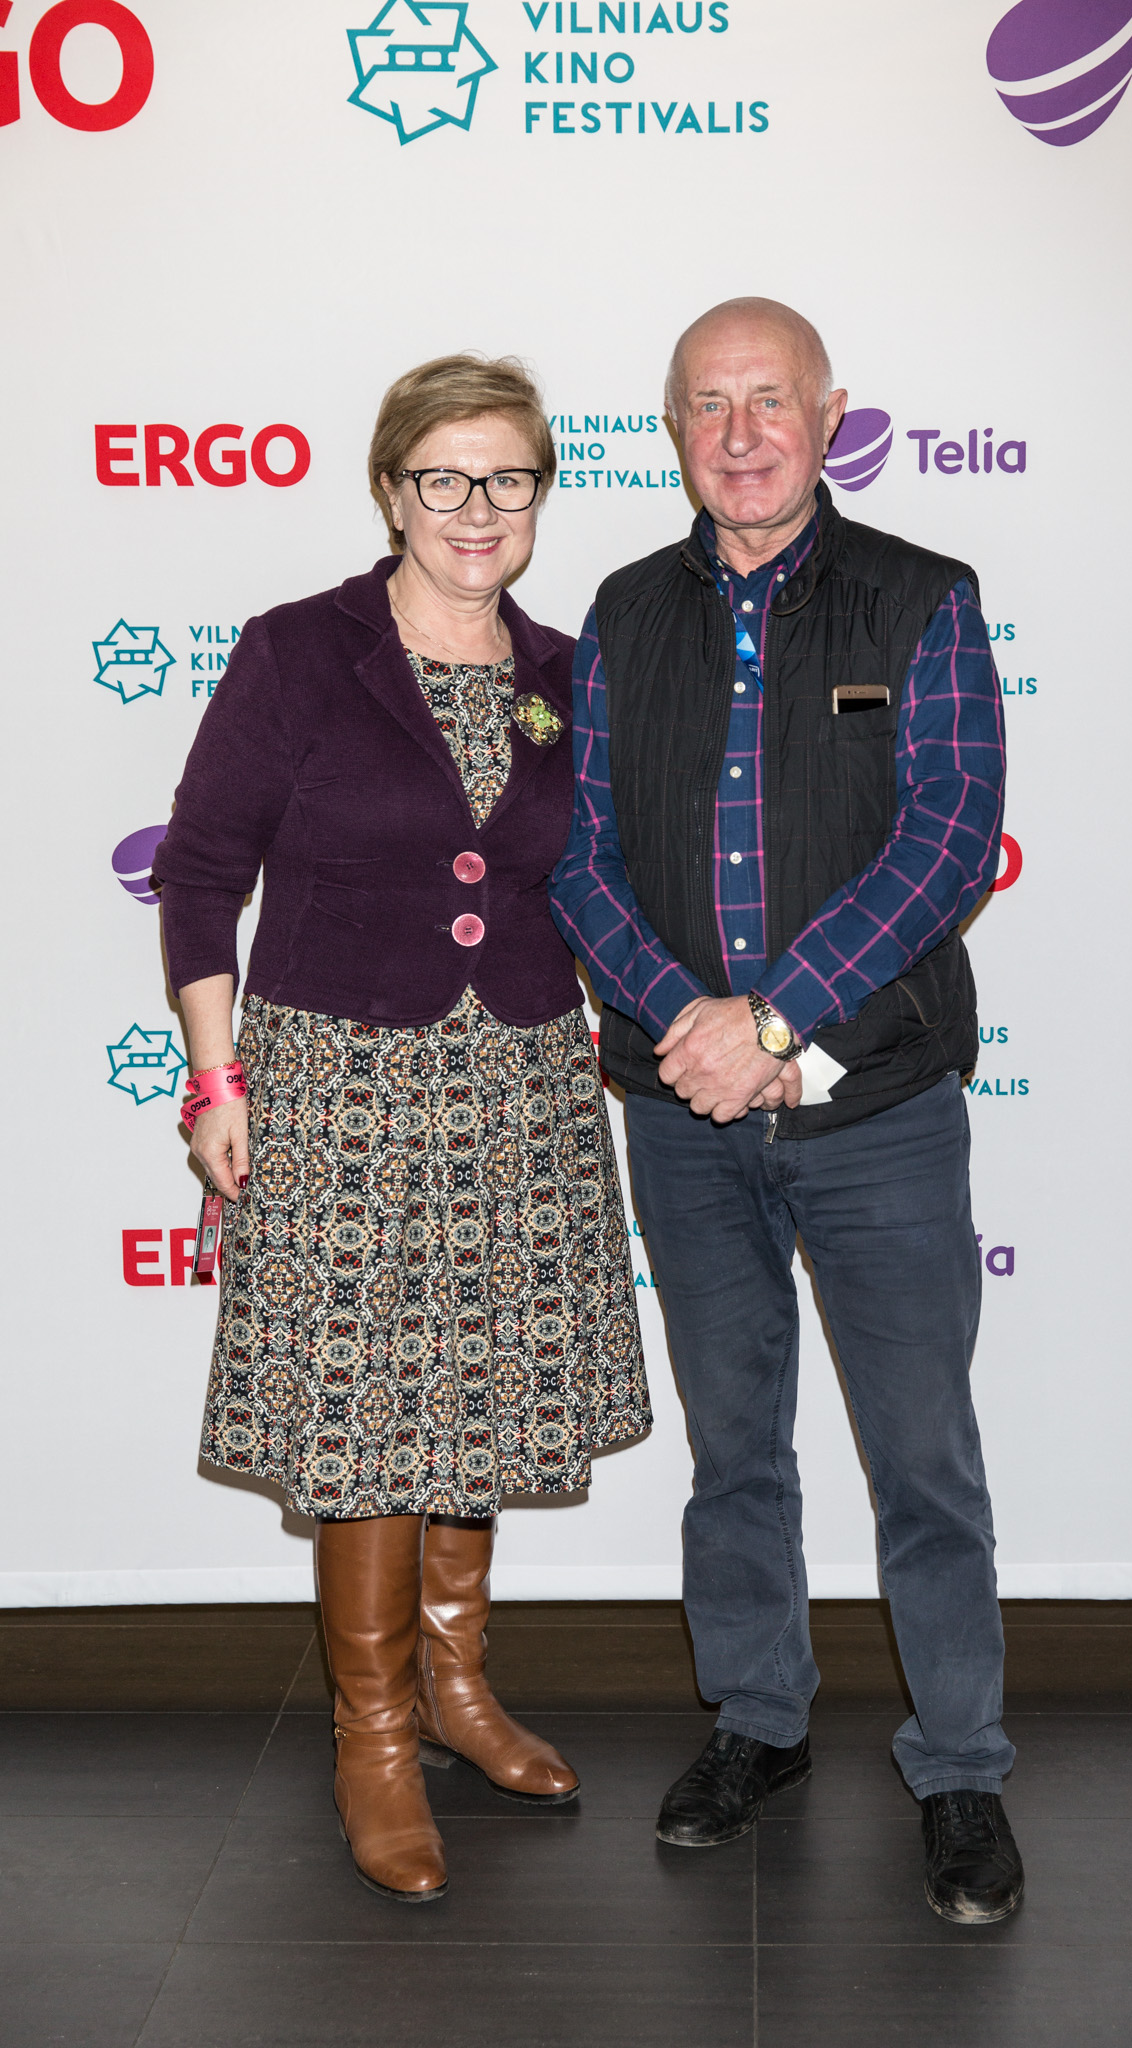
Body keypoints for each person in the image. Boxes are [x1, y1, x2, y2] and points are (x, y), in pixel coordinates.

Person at [154, 354, 650, 1904]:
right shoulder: (301, 653)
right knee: (365, 1408)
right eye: (444, 476)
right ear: (390, 491)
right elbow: (199, 873)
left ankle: (456, 1685)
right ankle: (370, 1733)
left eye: (507, 477)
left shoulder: (568, 671)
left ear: (540, 492)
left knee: (479, 1387)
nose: (475, 508)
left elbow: (595, 881)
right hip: (341, 1081)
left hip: (518, 1080)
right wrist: (217, 1083)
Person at [550, 298, 1022, 1924]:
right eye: (708, 404)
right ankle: (757, 1719)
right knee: (732, 1443)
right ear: (672, 430)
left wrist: (773, 1017)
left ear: (829, 416)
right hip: (683, 1116)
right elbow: (577, 859)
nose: (740, 433)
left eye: (769, 400)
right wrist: (691, 1031)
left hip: (877, 1108)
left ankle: (958, 1764)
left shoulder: (922, 598)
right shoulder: (620, 616)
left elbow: (947, 838)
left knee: (922, 1455)